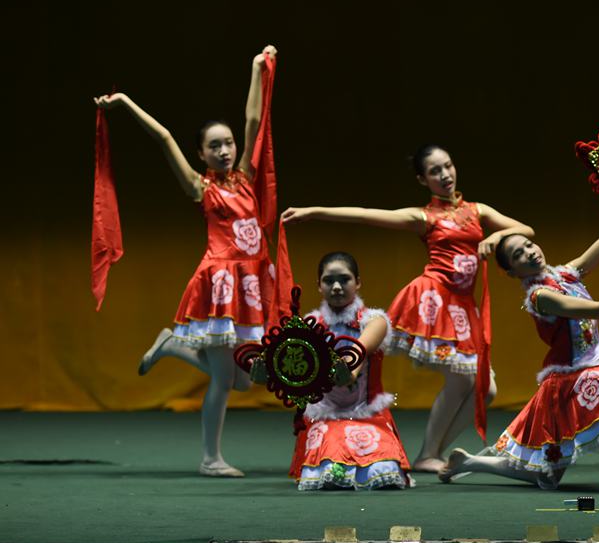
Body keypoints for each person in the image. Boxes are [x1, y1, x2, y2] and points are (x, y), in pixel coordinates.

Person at [280, 145, 533, 472]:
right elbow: (365, 214)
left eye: (448, 166)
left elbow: (525, 230)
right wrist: (314, 211)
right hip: (436, 301)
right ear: (423, 180)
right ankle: (429, 454)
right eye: (435, 171)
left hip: (464, 307)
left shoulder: (477, 210)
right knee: (462, 381)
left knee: (487, 389)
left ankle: (435, 452)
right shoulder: (423, 217)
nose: (445, 175)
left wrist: (496, 239)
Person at [94, 45, 278, 477]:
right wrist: (125, 103)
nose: (225, 150)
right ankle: (211, 459)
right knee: (225, 380)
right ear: (201, 154)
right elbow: (163, 138)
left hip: (250, 281)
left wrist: (256, 69)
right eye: (214, 146)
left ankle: (173, 345)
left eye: (228, 143)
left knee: (242, 379)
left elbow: (253, 120)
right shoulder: (201, 188)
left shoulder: (247, 179)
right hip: (220, 283)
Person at [439, 216, 599, 493]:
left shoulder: (564, 274)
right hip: (570, 379)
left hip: (581, 374)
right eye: (518, 254)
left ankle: (468, 462)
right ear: (512, 272)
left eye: (528, 245)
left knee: (546, 474)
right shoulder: (540, 297)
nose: (529, 252)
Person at [285, 252, 410, 490]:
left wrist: (347, 370)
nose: (336, 286)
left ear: (358, 282)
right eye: (328, 280)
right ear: (319, 285)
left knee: (381, 468)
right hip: (326, 414)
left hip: (367, 413)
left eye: (344, 279)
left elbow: (357, 352)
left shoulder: (375, 321)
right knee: (330, 469)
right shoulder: (311, 325)